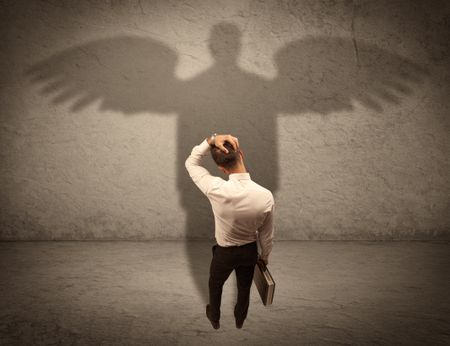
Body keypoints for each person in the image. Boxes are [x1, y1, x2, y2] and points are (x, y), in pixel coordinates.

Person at [185, 133, 275, 330]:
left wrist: (212, 139)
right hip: (249, 251)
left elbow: (191, 163)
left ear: (221, 169)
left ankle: (214, 317)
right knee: (244, 288)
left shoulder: (215, 188)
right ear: (241, 154)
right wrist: (264, 257)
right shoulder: (266, 196)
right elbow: (267, 236)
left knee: (215, 284)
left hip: (224, 253)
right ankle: (240, 319)